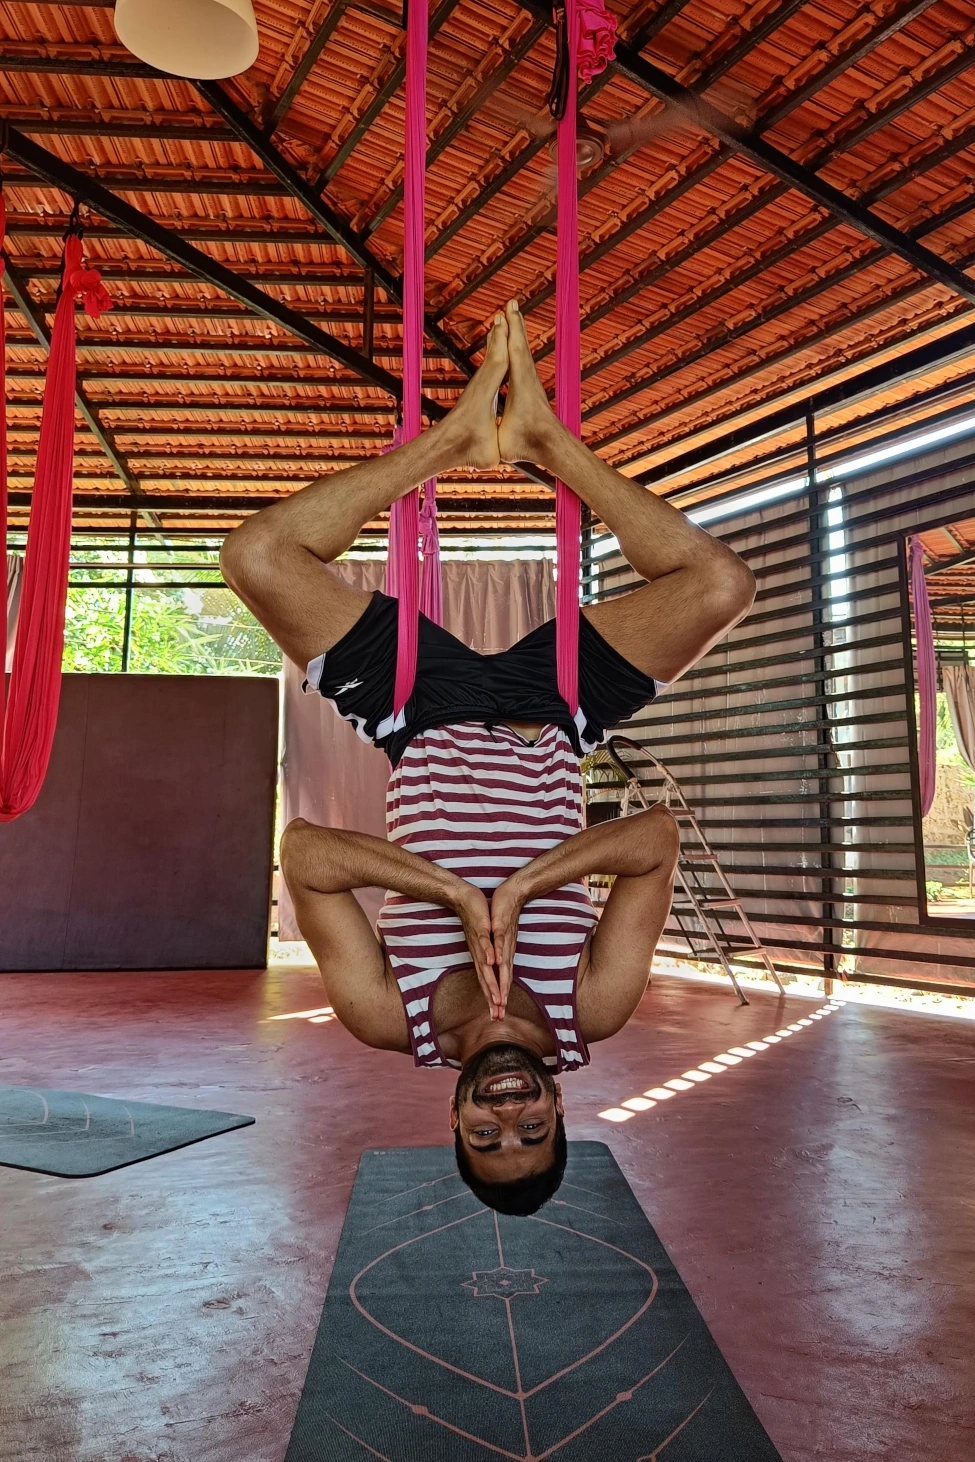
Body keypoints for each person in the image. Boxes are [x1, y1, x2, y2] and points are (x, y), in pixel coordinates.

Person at [221, 300, 755, 1215]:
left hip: (414, 716)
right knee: (719, 584)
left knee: (257, 556)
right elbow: (654, 839)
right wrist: (517, 889)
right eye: (532, 1133)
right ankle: (544, 441)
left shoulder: (386, 1017)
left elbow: (305, 853)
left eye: (487, 1137)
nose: (508, 1115)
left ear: (456, 1122)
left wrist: (458, 895)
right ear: (559, 1108)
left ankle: (454, 440)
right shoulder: (594, 1009)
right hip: (556, 718)